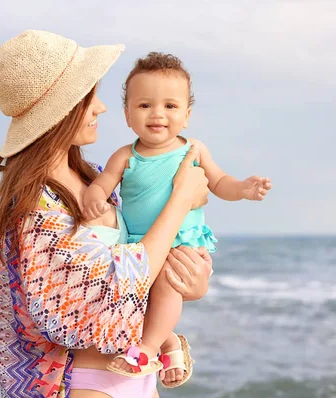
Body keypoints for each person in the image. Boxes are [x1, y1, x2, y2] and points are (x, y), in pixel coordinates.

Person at [0, 30, 212, 398]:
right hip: (85, 384)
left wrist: (189, 282)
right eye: (88, 96)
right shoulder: (35, 206)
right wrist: (180, 198)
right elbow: (102, 300)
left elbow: (145, 267)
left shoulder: (94, 177)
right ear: (61, 110)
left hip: (139, 377)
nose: (101, 107)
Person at [82, 52, 272, 386]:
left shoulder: (193, 150)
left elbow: (219, 182)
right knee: (142, 300)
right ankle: (169, 343)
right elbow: (100, 185)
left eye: (170, 106)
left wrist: (242, 188)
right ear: (127, 114)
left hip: (183, 244)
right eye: (144, 105)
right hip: (141, 248)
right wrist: (94, 199)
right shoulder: (125, 156)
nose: (158, 114)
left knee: (167, 286)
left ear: (186, 115)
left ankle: (147, 348)